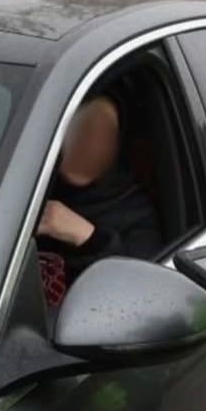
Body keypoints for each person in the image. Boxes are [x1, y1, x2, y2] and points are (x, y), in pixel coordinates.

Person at [36, 94, 162, 302]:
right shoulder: (24, 187)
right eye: (82, 129)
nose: (90, 144)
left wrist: (87, 237)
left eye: (104, 133)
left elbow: (141, 295)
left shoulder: (137, 212)